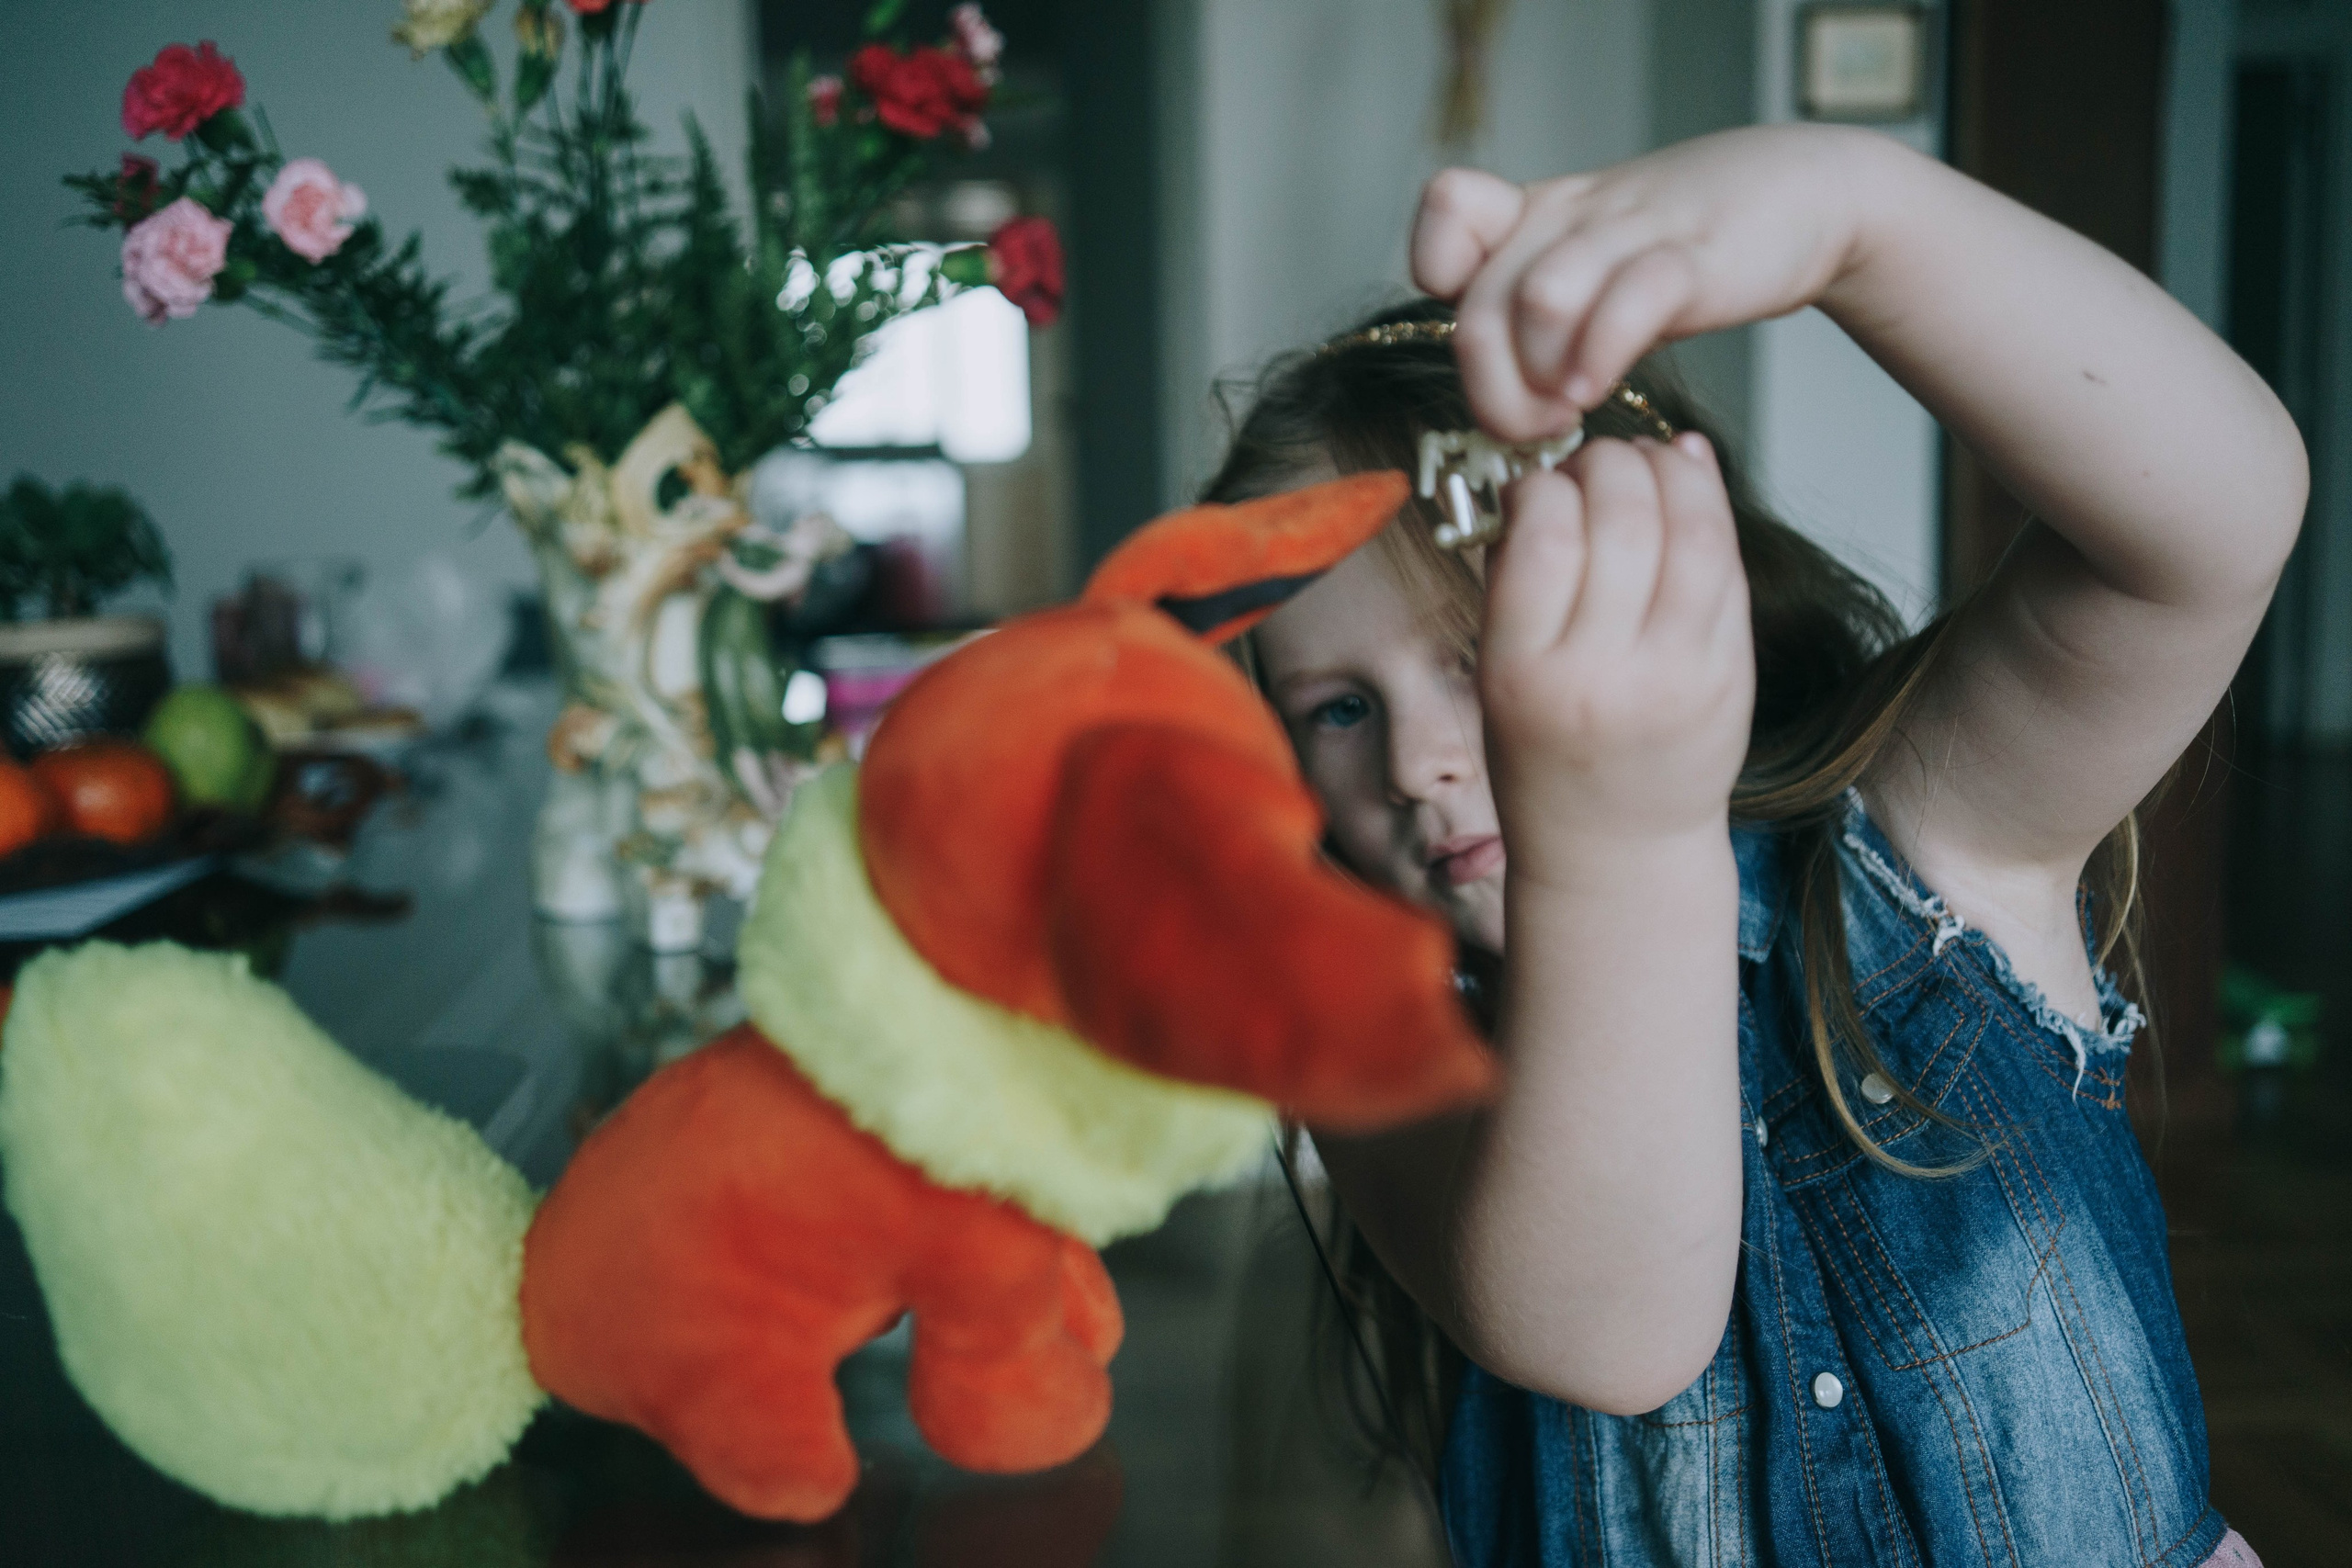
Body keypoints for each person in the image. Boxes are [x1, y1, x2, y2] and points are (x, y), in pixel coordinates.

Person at [1213, 124, 2302, 1567]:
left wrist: (1860, 220)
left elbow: (2212, 528)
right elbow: (1606, 1324)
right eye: (1339, 708)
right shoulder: (1367, 1042)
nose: (1416, 760)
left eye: (1478, 653)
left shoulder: (1915, 848)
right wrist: (1618, 840)